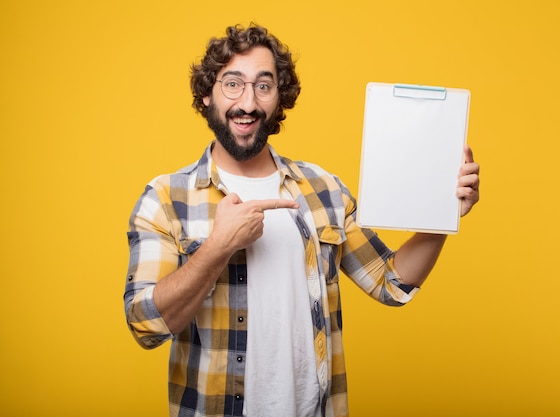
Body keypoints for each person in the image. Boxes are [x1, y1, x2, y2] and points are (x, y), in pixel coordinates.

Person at [124, 23, 480, 417]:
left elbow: (391, 282)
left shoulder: (324, 189)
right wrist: (218, 246)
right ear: (207, 95)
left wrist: (441, 211)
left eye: (264, 85)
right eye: (232, 84)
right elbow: (146, 325)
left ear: (280, 97)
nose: (248, 102)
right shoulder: (165, 199)